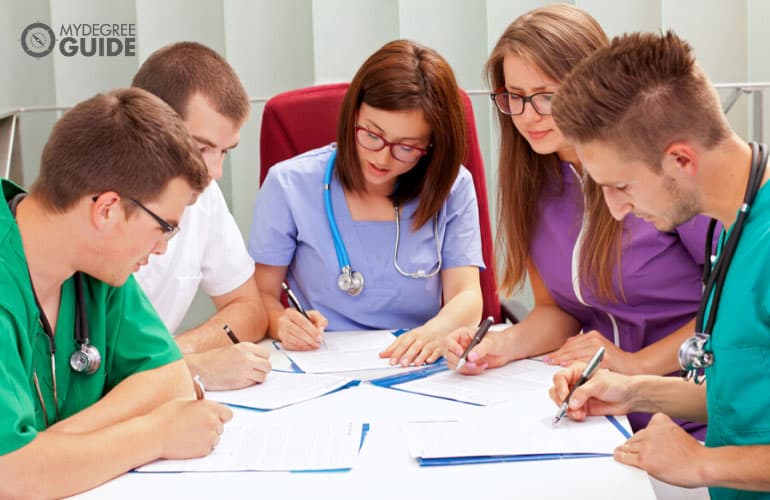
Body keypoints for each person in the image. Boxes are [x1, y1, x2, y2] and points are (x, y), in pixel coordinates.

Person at [443, 4, 711, 436]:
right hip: (599, 410)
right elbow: (559, 310)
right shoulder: (535, 179)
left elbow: (735, 309)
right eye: (514, 96)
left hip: (695, 412)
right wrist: (500, 345)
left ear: (592, 86)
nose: (529, 115)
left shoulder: (664, 170)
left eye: (547, 95)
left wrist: (636, 365)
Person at [549, 30, 770, 498]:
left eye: (622, 187)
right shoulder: (737, 223)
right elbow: (747, 400)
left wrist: (702, 463)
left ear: (680, 159)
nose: (615, 209)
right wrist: (633, 392)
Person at [0, 88, 233, 498]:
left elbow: (170, 379)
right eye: (165, 227)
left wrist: (50, 451)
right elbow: (11, 477)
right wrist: (156, 433)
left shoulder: (98, 269)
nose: (162, 248)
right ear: (106, 209)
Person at [249, 39, 484, 367]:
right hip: (321, 366)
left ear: (432, 145)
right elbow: (259, 296)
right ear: (353, 115)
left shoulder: (452, 187)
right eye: (371, 135)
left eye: (406, 147)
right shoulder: (290, 184)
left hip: (417, 364)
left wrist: (437, 331)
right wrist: (281, 323)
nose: (382, 157)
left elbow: (467, 295)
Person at [133, 42, 271, 390]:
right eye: (201, 148)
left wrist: (178, 353)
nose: (214, 172)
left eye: (224, 152)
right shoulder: (102, 210)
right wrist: (189, 370)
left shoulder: (202, 194)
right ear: (150, 128)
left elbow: (250, 310)